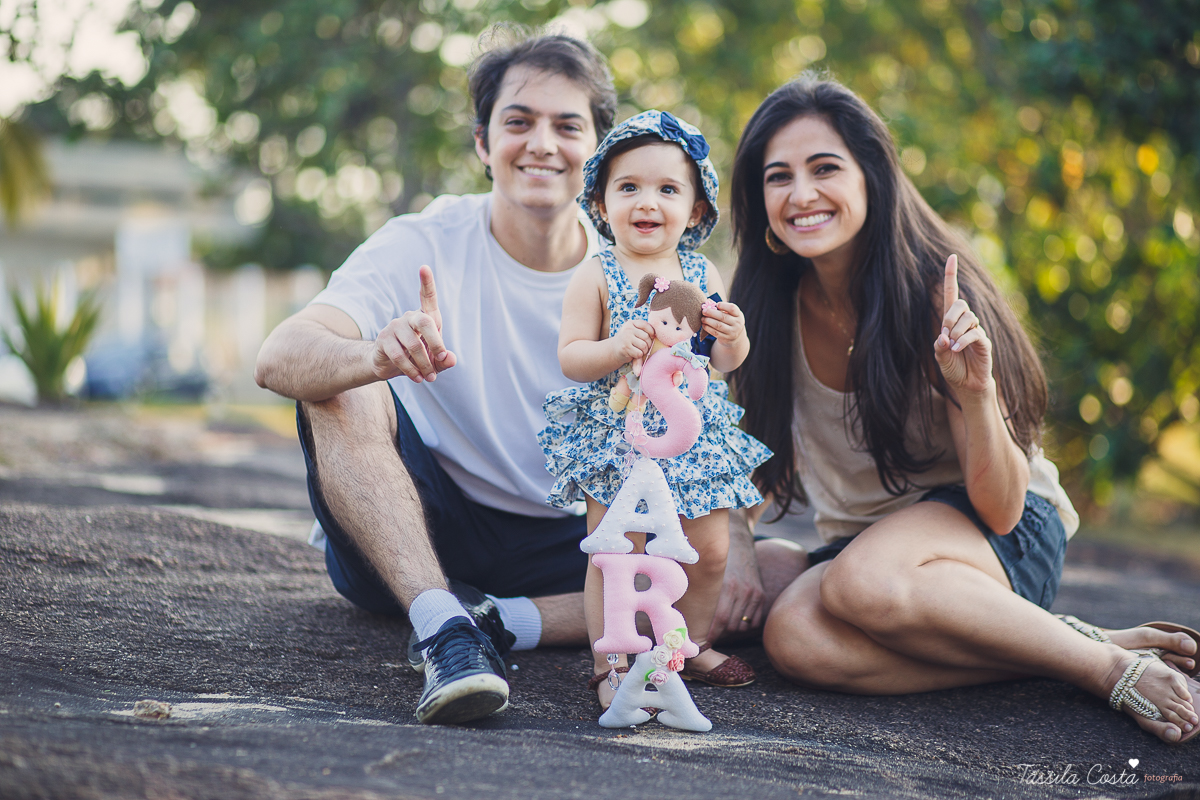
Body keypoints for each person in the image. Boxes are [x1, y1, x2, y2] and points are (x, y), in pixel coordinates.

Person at [724, 73, 1200, 745]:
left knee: (861, 581)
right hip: (867, 551)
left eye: (824, 168)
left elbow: (1001, 508)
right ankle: (1048, 649)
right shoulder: (763, 311)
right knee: (794, 636)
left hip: (999, 533)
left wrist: (976, 394)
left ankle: (1105, 665)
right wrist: (741, 547)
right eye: (779, 177)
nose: (801, 194)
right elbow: (732, 458)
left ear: (871, 176)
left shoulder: (936, 291)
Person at [254, 29, 617, 725]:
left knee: (746, 572)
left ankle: (494, 620)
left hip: (569, 547)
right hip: (419, 529)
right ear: (484, 144)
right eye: (518, 121)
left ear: (597, 151)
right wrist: (376, 358)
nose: (542, 143)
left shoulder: (631, 269)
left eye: (568, 125)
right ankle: (443, 632)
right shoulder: (423, 240)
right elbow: (279, 356)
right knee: (343, 376)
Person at [537, 110, 771, 710]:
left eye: (668, 189)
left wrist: (734, 333)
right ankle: (611, 660)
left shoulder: (701, 271)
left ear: (695, 210)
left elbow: (724, 358)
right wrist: (615, 347)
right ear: (601, 200)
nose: (648, 202)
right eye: (629, 187)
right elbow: (570, 356)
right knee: (617, 551)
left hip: (694, 434)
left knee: (710, 548)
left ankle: (682, 648)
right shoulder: (596, 273)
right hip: (619, 431)